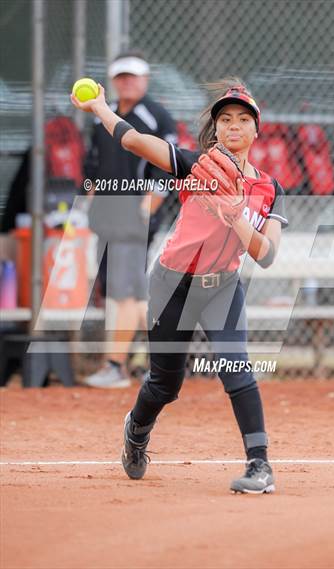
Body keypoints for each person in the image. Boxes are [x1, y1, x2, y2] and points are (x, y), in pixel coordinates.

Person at [71, 77, 288, 494]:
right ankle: (136, 430)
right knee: (165, 384)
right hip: (172, 283)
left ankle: (260, 465)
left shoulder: (270, 189)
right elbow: (135, 142)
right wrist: (99, 108)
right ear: (217, 128)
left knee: (235, 366)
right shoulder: (196, 165)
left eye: (244, 119)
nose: (234, 126)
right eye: (226, 119)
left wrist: (234, 214)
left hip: (222, 285)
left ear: (256, 130)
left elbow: (266, 255)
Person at [84, 51, 178, 388]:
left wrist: (146, 209)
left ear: (145, 80)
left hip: (132, 220)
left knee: (124, 295)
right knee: (131, 295)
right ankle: (169, 356)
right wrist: (89, 200)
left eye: (133, 76)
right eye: (121, 77)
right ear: (112, 82)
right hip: (105, 218)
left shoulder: (155, 116)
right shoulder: (101, 117)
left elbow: (167, 166)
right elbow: (92, 165)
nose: (127, 82)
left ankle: (115, 366)